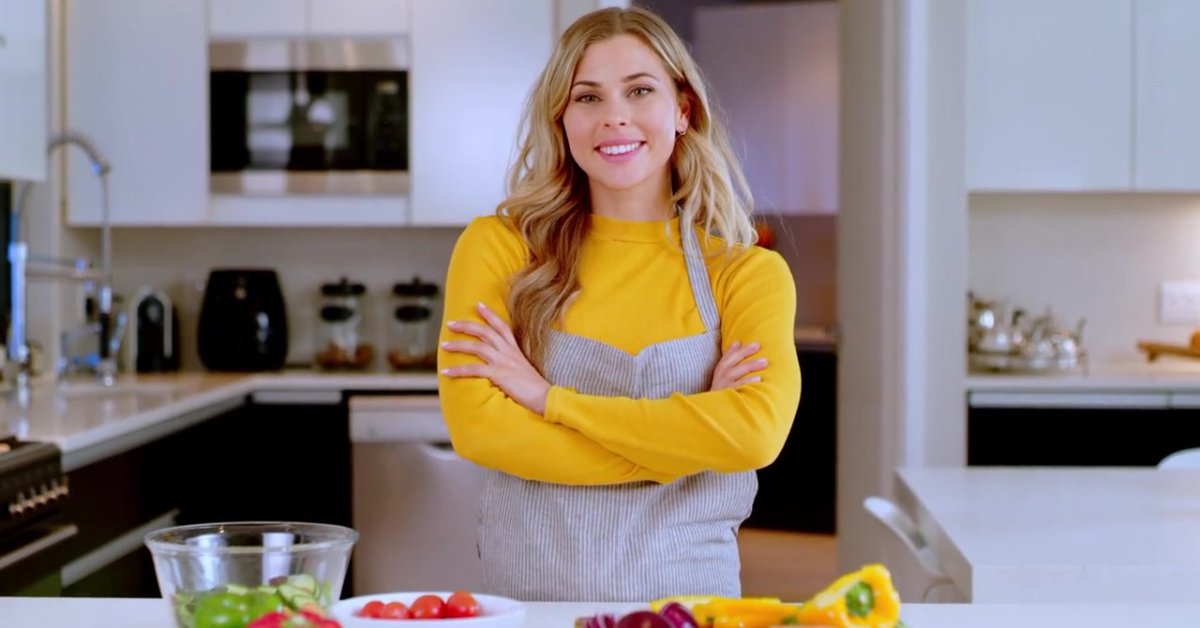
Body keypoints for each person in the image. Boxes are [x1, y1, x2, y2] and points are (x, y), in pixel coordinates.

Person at [437, 6, 802, 602]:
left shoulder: (747, 275)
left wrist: (545, 399)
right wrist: (686, 446)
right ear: (562, 118)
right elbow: (481, 432)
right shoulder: (499, 248)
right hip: (533, 606)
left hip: (691, 609)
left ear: (682, 110)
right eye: (588, 98)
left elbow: (755, 437)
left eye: (639, 90)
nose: (615, 118)